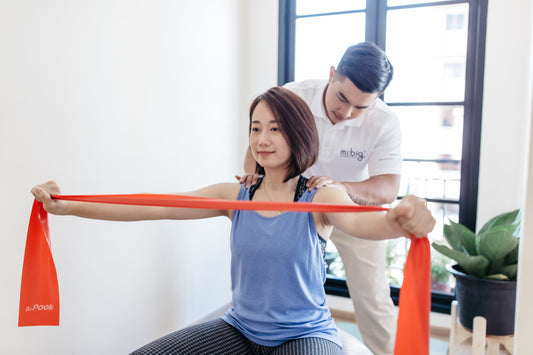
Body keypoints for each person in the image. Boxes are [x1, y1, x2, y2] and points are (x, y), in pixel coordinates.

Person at [32, 87, 434, 355]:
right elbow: (150, 206)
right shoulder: (235, 195)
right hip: (239, 329)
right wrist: (67, 206)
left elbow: (364, 225)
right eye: (256, 128)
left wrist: (401, 220)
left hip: (305, 334)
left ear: (298, 134)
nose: (262, 139)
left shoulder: (318, 195)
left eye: (275, 129)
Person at [240, 42, 402, 355]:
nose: (347, 112)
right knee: (282, 291)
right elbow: (257, 149)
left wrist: (339, 187)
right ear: (331, 74)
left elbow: (387, 187)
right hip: (296, 210)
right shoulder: (294, 96)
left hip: (350, 208)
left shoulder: (385, 121)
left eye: (361, 107)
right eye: (343, 98)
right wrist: (257, 182)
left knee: (374, 300)